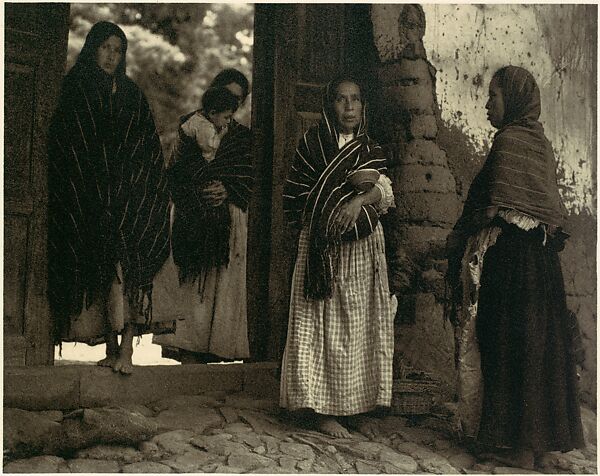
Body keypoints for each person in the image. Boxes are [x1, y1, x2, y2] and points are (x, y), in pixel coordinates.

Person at [446, 65, 584, 469]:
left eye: (494, 96)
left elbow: (488, 205)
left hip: (510, 263)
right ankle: (539, 445)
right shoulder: (541, 145)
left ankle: (518, 446)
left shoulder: (507, 142)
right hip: (542, 266)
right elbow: (546, 212)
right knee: (539, 348)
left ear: (515, 100)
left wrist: (458, 239)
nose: (488, 104)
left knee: (508, 347)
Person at [48, 21, 172, 374]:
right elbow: (68, 143)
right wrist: (89, 183)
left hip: (130, 196)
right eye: (105, 47)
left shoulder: (131, 93)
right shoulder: (76, 88)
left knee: (131, 268)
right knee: (103, 271)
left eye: (118, 50)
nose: (111, 56)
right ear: (92, 48)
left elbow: (146, 144)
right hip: (91, 196)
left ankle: (128, 350)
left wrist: (140, 186)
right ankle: (110, 345)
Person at [280, 76, 397, 439]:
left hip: (363, 248)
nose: (349, 107)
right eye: (341, 100)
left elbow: (386, 192)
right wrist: (329, 216)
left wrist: (359, 201)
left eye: (356, 99)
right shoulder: (312, 145)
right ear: (329, 105)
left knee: (359, 325)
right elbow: (297, 195)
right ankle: (320, 410)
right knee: (322, 325)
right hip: (323, 248)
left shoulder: (370, 148)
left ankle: (358, 407)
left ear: (363, 105)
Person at [153, 69, 254, 363]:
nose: (233, 103)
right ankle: (186, 354)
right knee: (191, 286)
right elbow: (174, 172)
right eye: (228, 95)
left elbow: (248, 175)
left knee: (219, 290)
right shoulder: (189, 127)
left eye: (239, 98)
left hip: (228, 220)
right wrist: (199, 192)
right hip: (191, 217)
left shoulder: (242, 136)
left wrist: (228, 189)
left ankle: (213, 353)